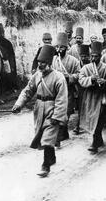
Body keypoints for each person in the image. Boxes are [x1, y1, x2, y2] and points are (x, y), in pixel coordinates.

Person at [12, 45, 68, 177]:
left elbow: (62, 99)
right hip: (39, 109)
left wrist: (57, 115)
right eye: (39, 62)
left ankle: (45, 166)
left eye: (43, 62)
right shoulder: (36, 76)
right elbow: (27, 91)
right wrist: (18, 104)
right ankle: (52, 157)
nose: (41, 65)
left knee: (47, 138)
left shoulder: (59, 77)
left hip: (52, 109)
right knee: (42, 136)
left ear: (49, 63)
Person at [78, 41, 106, 153]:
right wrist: (90, 79)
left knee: (99, 120)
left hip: (102, 98)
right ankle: (99, 139)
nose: (93, 58)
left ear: (100, 56)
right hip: (90, 97)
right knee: (92, 119)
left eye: (96, 56)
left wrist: (105, 82)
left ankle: (95, 143)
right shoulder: (86, 68)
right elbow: (81, 79)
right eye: (92, 56)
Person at [52, 32, 81, 147]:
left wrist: (69, 77)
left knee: (66, 112)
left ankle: (59, 135)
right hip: (55, 91)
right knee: (57, 112)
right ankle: (61, 134)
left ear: (66, 48)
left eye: (62, 47)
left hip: (68, 90)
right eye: (58, 47)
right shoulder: (53, 59)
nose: (59, 50)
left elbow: (79, 74)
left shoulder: (74, 60)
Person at [0, 23, 17, 103]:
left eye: (1, 31)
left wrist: (11, 66)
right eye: (0, 31)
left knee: (3, 80)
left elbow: (11, 55)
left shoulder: (6, 42)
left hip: (5, 63)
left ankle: (2, 96)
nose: (1, 33)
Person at [73, 44, 91, 135]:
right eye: (82, 56)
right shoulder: (77, 63)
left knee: (89, 107)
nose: (83, 58)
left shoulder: (91, 64)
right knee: (80, 107)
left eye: (85, 56)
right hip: (80, 88)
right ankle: (79, 125)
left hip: (89, 88)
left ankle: (86, 125)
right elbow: (75, 74)